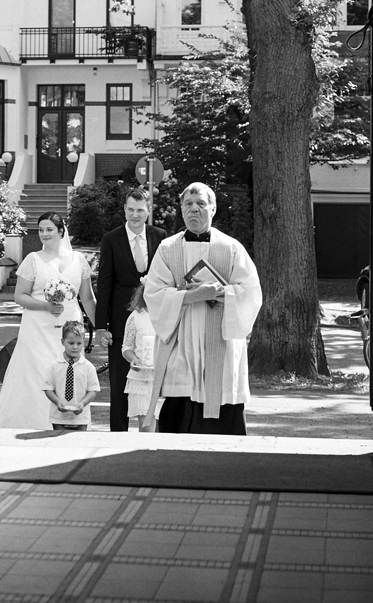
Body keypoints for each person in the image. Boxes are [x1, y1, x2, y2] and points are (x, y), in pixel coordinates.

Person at [143, 182, 262, 435]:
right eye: (188, 204)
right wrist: (194, 295)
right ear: (181, 209)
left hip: (219, 341)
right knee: (180, 402)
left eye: (201, 204)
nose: (194, 210)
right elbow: (153, 293)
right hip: (181, 341)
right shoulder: (167, 249)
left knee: (219, 401)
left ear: (214, 208)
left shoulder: (231, 248)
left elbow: (251, 292)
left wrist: (222, 293)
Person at [0, 212, 98, 430]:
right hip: (37, 327)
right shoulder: (32, 260)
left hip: (70, 326)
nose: (44, 234)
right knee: (38, 373)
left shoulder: (79, 260)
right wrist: (46, 306)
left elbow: (87, 297)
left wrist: (100, 328)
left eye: (49, 229)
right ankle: (36, 422)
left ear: (61, 231)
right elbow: (20, 296)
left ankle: (70, 420)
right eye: (41, 230)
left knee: (70, 372)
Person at [93, 187, 165, 430]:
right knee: (120, 385)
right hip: (121, 322)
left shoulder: (160, 236)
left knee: (154, 384)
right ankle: (117, 436)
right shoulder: (111, 240)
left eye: (140, 210)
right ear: (124, 209)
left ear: (148, 211)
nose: (135, 215)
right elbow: (104, 284)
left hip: (154, 322)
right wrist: (101, 327)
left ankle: (153, 434)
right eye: (131, 210)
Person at [43, 321, 101, 431]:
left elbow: (93, 390)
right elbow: (48, 388)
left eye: (79, 343)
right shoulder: (54, 366)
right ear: (62, 342)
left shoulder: (88, 367)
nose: (75, 347)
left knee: (79, 443)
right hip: (58, 416)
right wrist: (57, 401)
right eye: (71, 343)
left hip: (80, 416)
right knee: (59, 442)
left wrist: (83, 403)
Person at [121, 281, 160, 433]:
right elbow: (127, 347)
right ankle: (145, 454)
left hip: (163, 377)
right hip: (141, 378)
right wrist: (134, 359)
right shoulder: (136, 316)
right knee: (146, 425)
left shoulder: (170, 314)